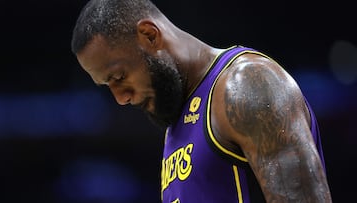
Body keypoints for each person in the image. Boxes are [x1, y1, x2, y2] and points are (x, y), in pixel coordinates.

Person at [71, 0, 332, 202]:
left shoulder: (245, 84)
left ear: (150, 35)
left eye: (119, 76)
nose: (120, 98)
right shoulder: (178, 121)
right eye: (108, 86)